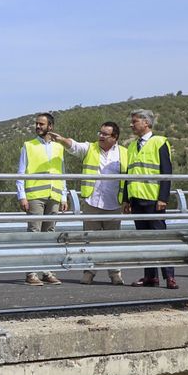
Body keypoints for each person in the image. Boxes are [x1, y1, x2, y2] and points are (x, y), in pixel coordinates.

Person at [16, 112, 90, 285]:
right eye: (36, 124)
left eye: (41, 124)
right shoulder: (28, 146)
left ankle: (47, 271)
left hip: (54, 195)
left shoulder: (58, 147)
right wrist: (22, 196)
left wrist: (63, 196)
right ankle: (31, 273)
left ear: (50, 127)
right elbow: (20, 173)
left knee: (49, 235)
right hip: (35, 196)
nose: (37, 127)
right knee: (34, 233)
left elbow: (61, 173)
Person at [121, 109, 178, 289]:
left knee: (161, 239)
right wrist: (126, 199)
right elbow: (128, 174)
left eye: (135, 121)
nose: (132, 124)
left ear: (146, 123)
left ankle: (169, 276)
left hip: (154, 201)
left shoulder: (160, 142)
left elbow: (166, 172)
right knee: (144, 240)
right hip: (137, 199)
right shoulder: (131, 146)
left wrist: (163, 198)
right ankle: (150, 277)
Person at [77, 121, 128, 285]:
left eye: (105, 134)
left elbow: (129, 179)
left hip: (114, 204)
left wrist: (128, 200)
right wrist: (61, 139)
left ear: (115, 137)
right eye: (100, 133)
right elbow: (73, 146)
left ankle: (115, 274)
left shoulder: (125, 153)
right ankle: (89, 273)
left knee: (113, 241)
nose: (100, 136)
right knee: (89, 240)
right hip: (92, 202)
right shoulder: (90, 148)